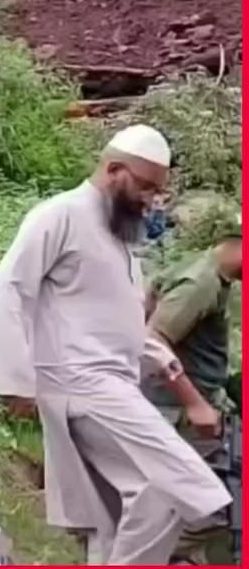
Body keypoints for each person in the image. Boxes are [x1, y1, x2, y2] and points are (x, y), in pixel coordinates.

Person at [0, 126, 232, 564]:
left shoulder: (119, 237)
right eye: (145, 186)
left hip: (111, 385)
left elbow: (125, 327)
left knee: (113, 513)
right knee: (170, 484)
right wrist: (14, 379)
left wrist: (171, 371)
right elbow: (7, 288)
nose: (151, 200)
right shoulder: (59, 215)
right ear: (114, 169)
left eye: (157, 191)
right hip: (85, 384)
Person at [143, 227, 242, 563]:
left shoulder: (211, 276)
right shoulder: (202, 281)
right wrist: (194, 403)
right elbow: (153, 340)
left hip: (192, 411)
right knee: (214, 511)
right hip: (182, 417)